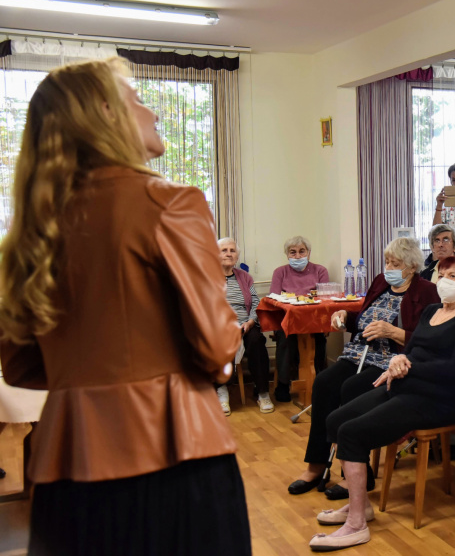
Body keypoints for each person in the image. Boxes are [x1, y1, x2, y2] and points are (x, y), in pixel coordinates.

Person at [0, 58, 250, 555]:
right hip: (174, 458)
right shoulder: (169, 202)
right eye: (136, 97)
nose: (152, 110)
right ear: (106, 113)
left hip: (64, 467)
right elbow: (219, 348)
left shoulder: (35, 229)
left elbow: (22, 365)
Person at [310, 256, 455, 551]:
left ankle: (356, 525)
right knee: (335, 420)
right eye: (441, 274)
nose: (444, 280)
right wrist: (398, 360)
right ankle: (361, 506)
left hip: (441, 398)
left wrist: (408, 367)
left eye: (453, 276)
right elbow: (413, 349)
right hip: (407, 385)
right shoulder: (431, 310)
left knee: (352, 433)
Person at [288, 238, 438, 499]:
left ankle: (356, 474)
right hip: (359, 353)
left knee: (352, 388)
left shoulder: (426, 292)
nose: (389, 267)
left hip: (390, 360)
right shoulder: (381, 281)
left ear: (412, 266)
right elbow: (364, 318)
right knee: (324, 383)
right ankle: (316, 464)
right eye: (387, 261)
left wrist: (395, 332)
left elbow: (430, 339)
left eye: (396, 263)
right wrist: (346, 316)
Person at [269, 236, 330, 402]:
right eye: (293, 252)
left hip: (314, 320)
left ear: (309, 253)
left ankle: (319, 384)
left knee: (318, 340)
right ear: (287, 255)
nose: (297, 256)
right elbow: (273, 300)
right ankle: (283, 384)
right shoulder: (280, 272)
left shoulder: (320, 271)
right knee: (285, 339)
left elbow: (326, 299)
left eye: (301, 251)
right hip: (287, 320)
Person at [218, 237, 274, 415]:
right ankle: (222, 392)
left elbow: (256, 303)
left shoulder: (244, 277)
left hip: (245, 324)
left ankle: (263, 392)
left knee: (257, 340)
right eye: (224, 250)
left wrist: (250, 321)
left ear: (237, 255)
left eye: (232, 251)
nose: (228, 254)